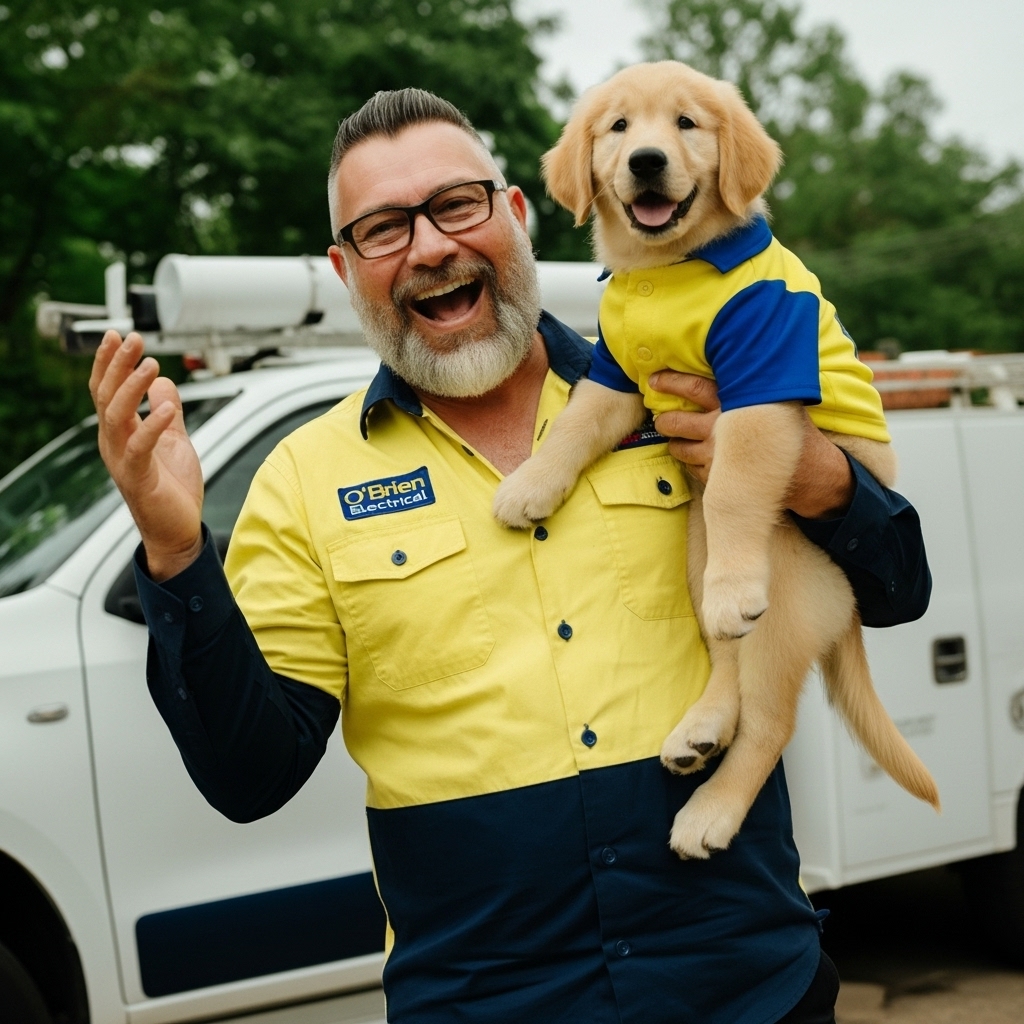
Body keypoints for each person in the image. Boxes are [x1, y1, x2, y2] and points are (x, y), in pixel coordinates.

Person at [90, 89, 930, 1024]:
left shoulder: (685, 383)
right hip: (485, 1004)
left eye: (457, 205)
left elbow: (898, 585)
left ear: (517, 214)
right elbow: (252, 776)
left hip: (749, 990)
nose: (431, 246)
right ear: (344, 268)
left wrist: (814, 475)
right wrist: (174, 550)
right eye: (382, 229)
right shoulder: (301, 479)